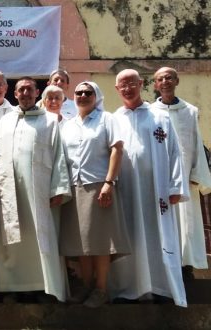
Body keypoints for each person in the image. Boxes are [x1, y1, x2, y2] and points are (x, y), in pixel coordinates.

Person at [108, 69, 188, 307]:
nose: (128, 88)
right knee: (128, 236)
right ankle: (127, 289)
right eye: (122, 85)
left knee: (157, 236)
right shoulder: (113, 119)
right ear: (117, 89)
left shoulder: (160, 116)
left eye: (132, 83)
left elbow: (174, 152)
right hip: (125, 191)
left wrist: (175, 186)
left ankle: (161, 288)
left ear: (141, 84)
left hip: (157, 192)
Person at [0, 77, 71, 303]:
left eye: (30, 89)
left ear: (38, 93)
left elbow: (59, 155)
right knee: (14, 238)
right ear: (15, 94)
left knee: (42, 238)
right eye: (21, 90)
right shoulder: (6, 121)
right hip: (11, 190)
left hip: (40, 192)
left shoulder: (49, 121)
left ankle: (44, 288)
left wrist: (58, 188)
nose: (26, 93)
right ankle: (15, 287)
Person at [59, 81, 130, 308]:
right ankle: (87, 286)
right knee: (82, 243)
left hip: (99, 185)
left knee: (100, 242)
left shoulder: (107, 119)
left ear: (96, 96)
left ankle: (101, 289)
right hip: (75, 187)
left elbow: (117, 149)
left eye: (87, 93)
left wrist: (109, 182)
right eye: (78, 93)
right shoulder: (68, 125)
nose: (82, 96)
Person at [152, 67, 211, 278]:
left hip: (185, 179)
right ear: (156, 85)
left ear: (176, 81)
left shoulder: (190, 111)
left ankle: (186, 267)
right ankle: (164, 267)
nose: (165, 82)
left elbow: (196, 143)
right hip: (160, 180)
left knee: (187, 225)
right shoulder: (150, 112)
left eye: (169, 77)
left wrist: (197, 175)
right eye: (160, 79)